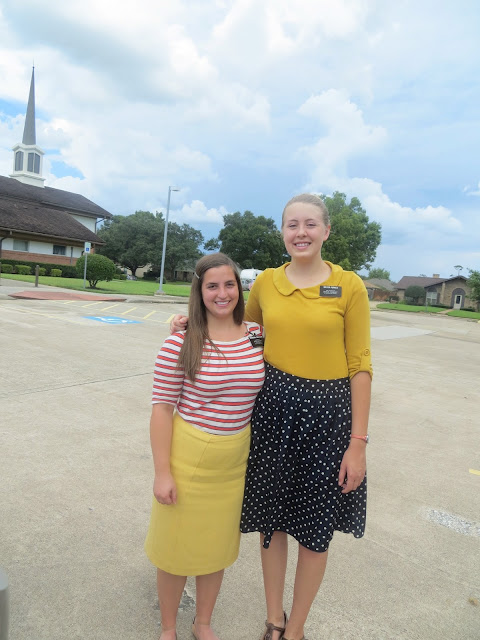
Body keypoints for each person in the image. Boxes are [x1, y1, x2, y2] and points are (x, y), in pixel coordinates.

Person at [172, 193, 372, 640]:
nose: (301, 233)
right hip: (273, 413)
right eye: (291, 225)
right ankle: (274, 619)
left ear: (326, 231)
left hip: (327, 418)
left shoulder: (350, 286)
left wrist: (357, 443)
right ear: (282, 232)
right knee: (273, 522)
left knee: (314, 529)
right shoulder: (266, 282)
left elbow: (360, 365)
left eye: (310, 224)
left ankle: (296, 628)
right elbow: (236, 327)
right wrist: (188, 322)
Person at [145, 253, 265, 640]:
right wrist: (162, 473)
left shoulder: (256, 335)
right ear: (199, 292)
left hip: (233, 461)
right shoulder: (180, 343)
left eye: (230, 284)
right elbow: (162, 410)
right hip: (189, 457)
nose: (222, 293)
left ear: (240, 288)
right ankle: (168, 628)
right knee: (175, 547)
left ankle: (203, 623)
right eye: (212, 286)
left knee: (216, 548)